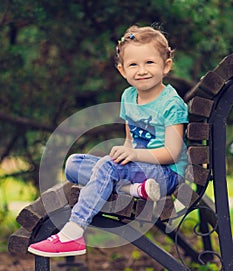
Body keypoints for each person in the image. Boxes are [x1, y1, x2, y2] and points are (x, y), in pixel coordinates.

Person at [28, 25, 188, 258]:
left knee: (106, 167)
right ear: (122, 70)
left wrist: (131, 157)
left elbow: (172, 153)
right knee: (74, 164)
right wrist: (125, 153)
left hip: (166, 174)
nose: (142, 70)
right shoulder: (128, 96)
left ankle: (72, 233)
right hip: (139, 172)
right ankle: (132, 189)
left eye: (150, 63)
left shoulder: (170, 103)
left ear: (166, 66)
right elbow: (129, 141)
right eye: (134, 65)